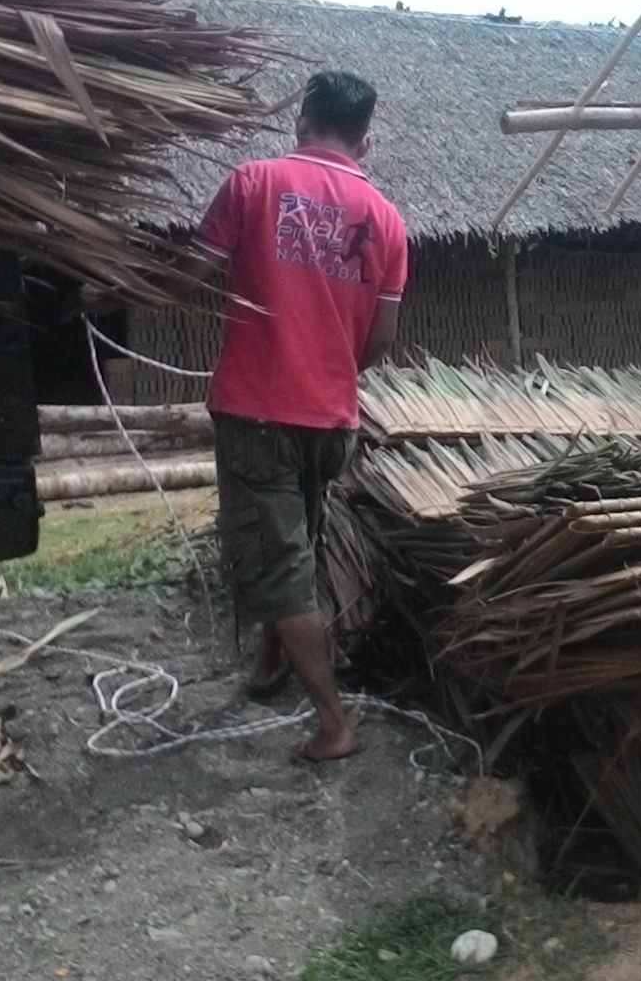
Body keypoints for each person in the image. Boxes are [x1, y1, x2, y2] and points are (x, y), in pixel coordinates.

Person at [184, 71, 407, 762]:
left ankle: (334, 722)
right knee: (298, 546)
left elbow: (190, 274)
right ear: (364, 141)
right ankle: (268, 664)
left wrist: (113, 285)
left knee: (279, 565)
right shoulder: (389, 221)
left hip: (257, 414)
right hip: (330, 420)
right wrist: (333, 372)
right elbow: (383, 339)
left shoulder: (252, 184)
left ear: (301, 120)